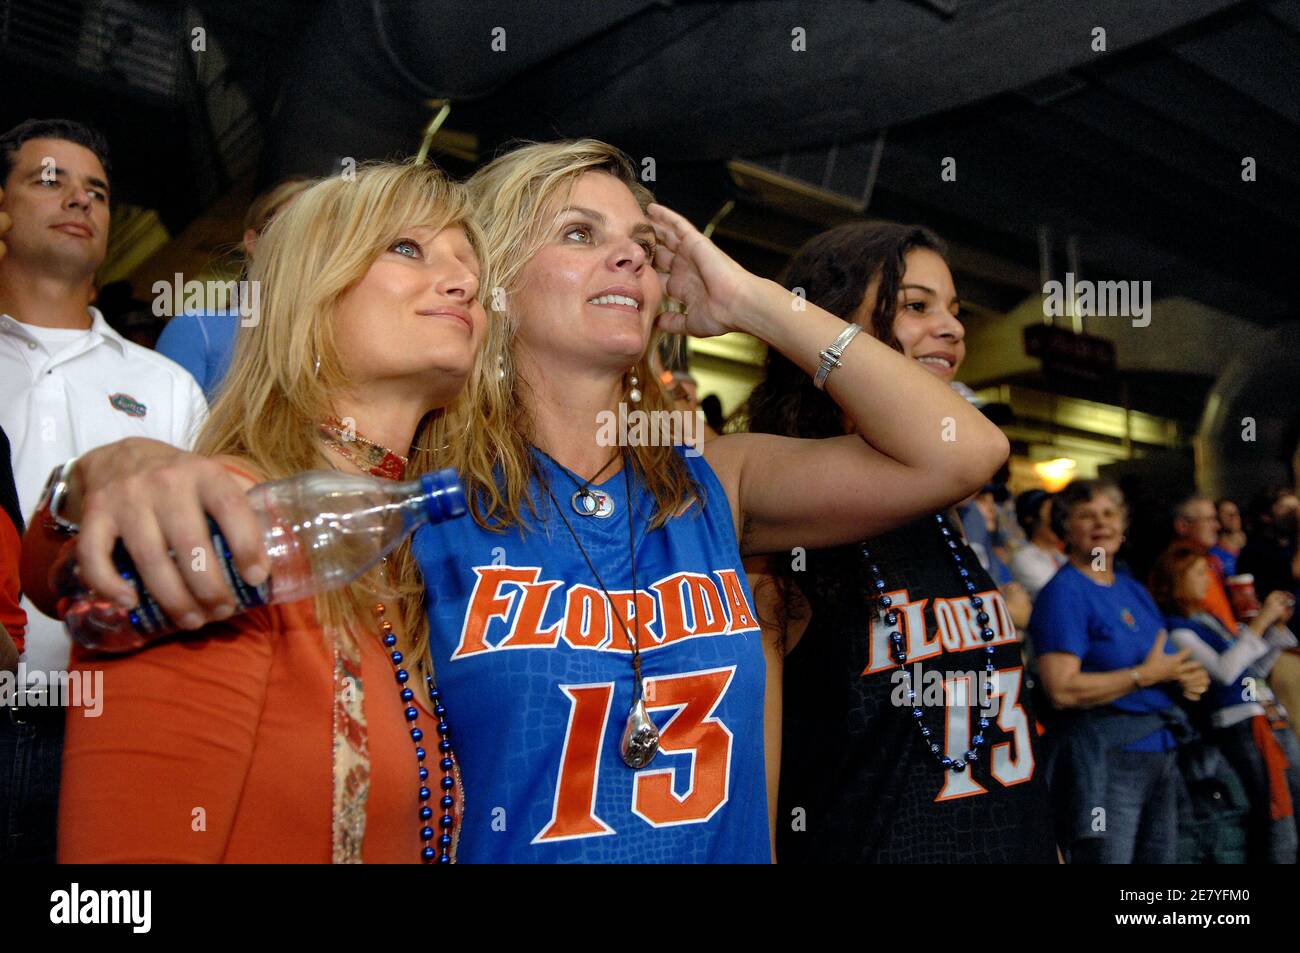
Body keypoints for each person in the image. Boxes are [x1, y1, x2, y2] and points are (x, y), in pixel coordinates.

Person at [34, 139, 1010, 863]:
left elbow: (958, 451)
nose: (628, 257)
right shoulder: (425, 492)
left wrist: (751, 298)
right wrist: (99, 474)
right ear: (491, 281)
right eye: (580, 235)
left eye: (640, 242)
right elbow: (200, 533)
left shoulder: (712, 476)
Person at [36, 162, 484, 862]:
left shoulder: (419, 554)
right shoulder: (208, 522)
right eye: (407, 247)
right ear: (308, 292)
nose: (465, 282)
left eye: (470, 264)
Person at [744, 220, 1054, 863]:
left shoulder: (940, 509)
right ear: (824, 323)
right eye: (916, 306)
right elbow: (755, 798)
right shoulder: (775, 521)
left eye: (954, 310)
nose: (954, 328)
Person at [0, 118, 207, 862]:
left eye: (98, 191)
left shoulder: (167, 385)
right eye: (50, 180)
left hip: (104, 720)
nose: (80, 200)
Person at [1031, 479, 1210, 863]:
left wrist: (1188, 677)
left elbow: (1168, 660)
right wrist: (1142, 676)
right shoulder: (1064, 592)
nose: (1101, 523)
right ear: (1066, 528)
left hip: (1159, 750)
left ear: (1123, 526)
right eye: (1086, 515)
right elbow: (1060, 689)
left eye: (1109, 514)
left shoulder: (1131, 588)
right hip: (1106, 757)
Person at [1150, 542, 1300, 863]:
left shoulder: (1207, 620)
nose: (1207, 579)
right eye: (1199, 573)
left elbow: (1250, 671)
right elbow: (1224, 673)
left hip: (1265, 714)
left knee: (1293, 804)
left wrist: (1273, 630)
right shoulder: (1178, 631)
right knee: (1276, 813)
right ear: (1177, 580)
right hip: (1238, 724)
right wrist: (1259, 622)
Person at [155, 177, 314, 399]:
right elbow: (164, 429)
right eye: (295, 225)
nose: (309, 244)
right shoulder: (197, 331)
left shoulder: (332, 346)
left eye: (321, 233)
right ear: (254, 242)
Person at [1170, 494, 1237, 630]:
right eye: (1209, 520)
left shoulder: (1212, 561)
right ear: (1183, 526)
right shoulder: (1176, 569)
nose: (1217, 526)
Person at [1010, 488, 1067, 602]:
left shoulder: (1064, 555)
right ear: (1030, 518)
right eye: (1050, 514)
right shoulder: (1024, 558)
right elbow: (1057, 595)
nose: (1057, 520)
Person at [1213, 498, 1246, 577]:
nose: (1233, 516)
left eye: (1235, 512)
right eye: (1226, 514)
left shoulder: (1255, 544)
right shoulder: (1213, 553)